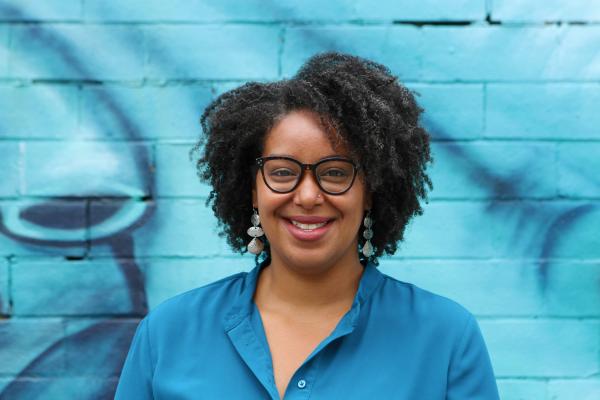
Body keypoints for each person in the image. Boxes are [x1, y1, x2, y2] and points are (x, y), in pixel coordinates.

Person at [115, 52, 500, 399]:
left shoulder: (446, 338)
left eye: (334, 173)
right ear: (252, 190)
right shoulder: (167, 333)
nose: (308, 196)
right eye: (283, 172)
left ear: (371, 192)